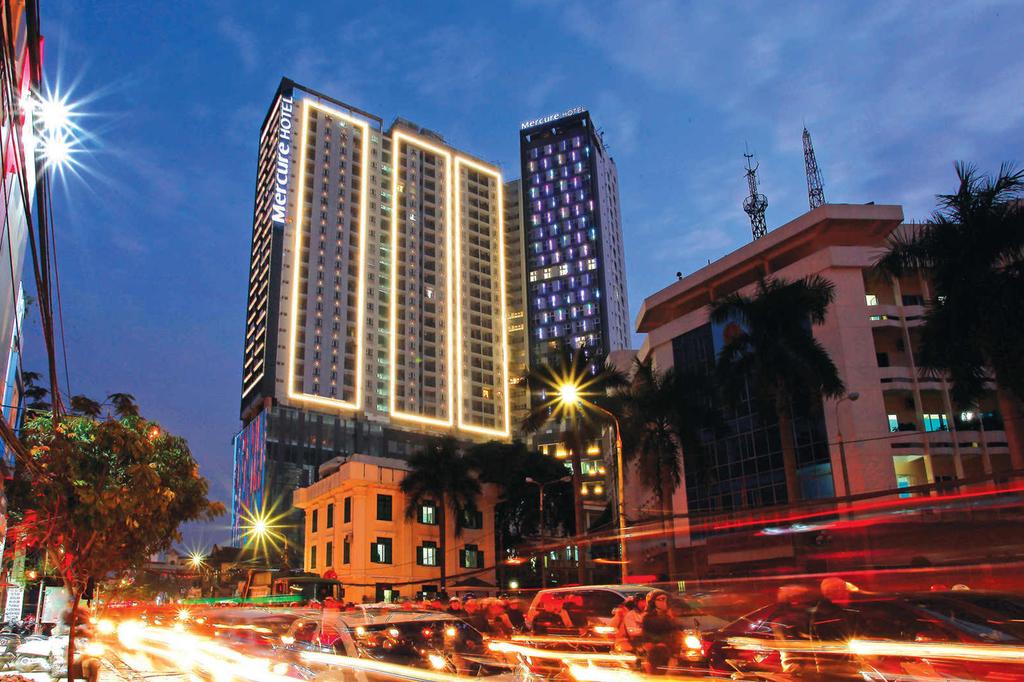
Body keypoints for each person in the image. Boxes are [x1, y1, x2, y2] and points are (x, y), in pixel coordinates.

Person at [641, 590, 681, 675]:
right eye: (660, 599)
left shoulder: (670, 616)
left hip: (670, 652)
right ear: (653, 602)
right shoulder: (649, 618)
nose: (663, 602)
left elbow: (676, 633)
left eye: (665, 599)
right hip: (656, 651)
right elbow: (647, 636)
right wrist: (659, 644)